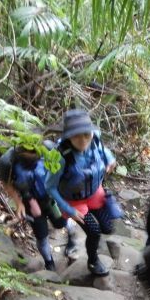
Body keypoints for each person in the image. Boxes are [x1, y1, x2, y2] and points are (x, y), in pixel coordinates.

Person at [45, 109, 121, 276]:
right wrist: (69, 209)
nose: (83, 140)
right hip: (74, 201)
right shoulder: (60, 156)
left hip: (94, 192)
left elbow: (104, 150)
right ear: (68, 136)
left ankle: (88, 239)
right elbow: (49, 186)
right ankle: (93, 261)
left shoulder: (95, 139)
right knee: (94, 232)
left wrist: (109, 159)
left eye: (86, 134)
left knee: (108, 227)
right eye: (76, 136)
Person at [0, 141, 78, 271]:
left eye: (36, 153)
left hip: (51, 195)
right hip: (29, 200)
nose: (34, 156)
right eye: (30, 154)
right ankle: (49, 264)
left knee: (61, 222)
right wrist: (19, 203)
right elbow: (7, 184)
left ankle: (72, 238)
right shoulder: (8, 161)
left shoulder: (48, 149)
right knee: (41, 235)